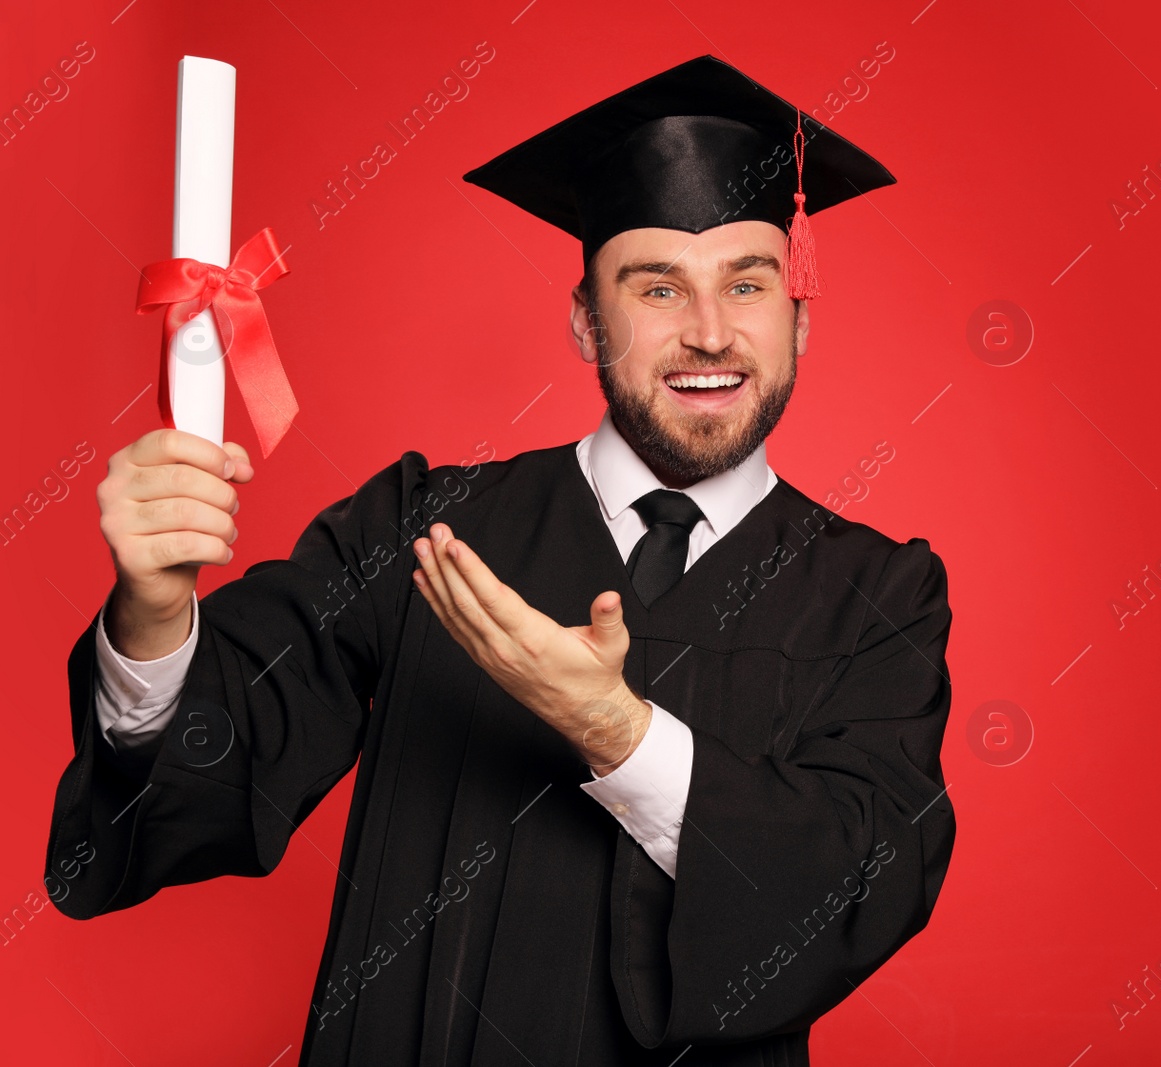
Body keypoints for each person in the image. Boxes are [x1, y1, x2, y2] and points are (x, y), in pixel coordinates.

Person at [45, 54, 956, 1066]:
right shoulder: (419, 530)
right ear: (583, 321)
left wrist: (616, 730)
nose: (709, 331)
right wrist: (156, 613)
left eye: (748, 283)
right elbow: (218, 757)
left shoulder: (878, 597)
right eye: (657, 286)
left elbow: (864, 879)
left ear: (798, 318)